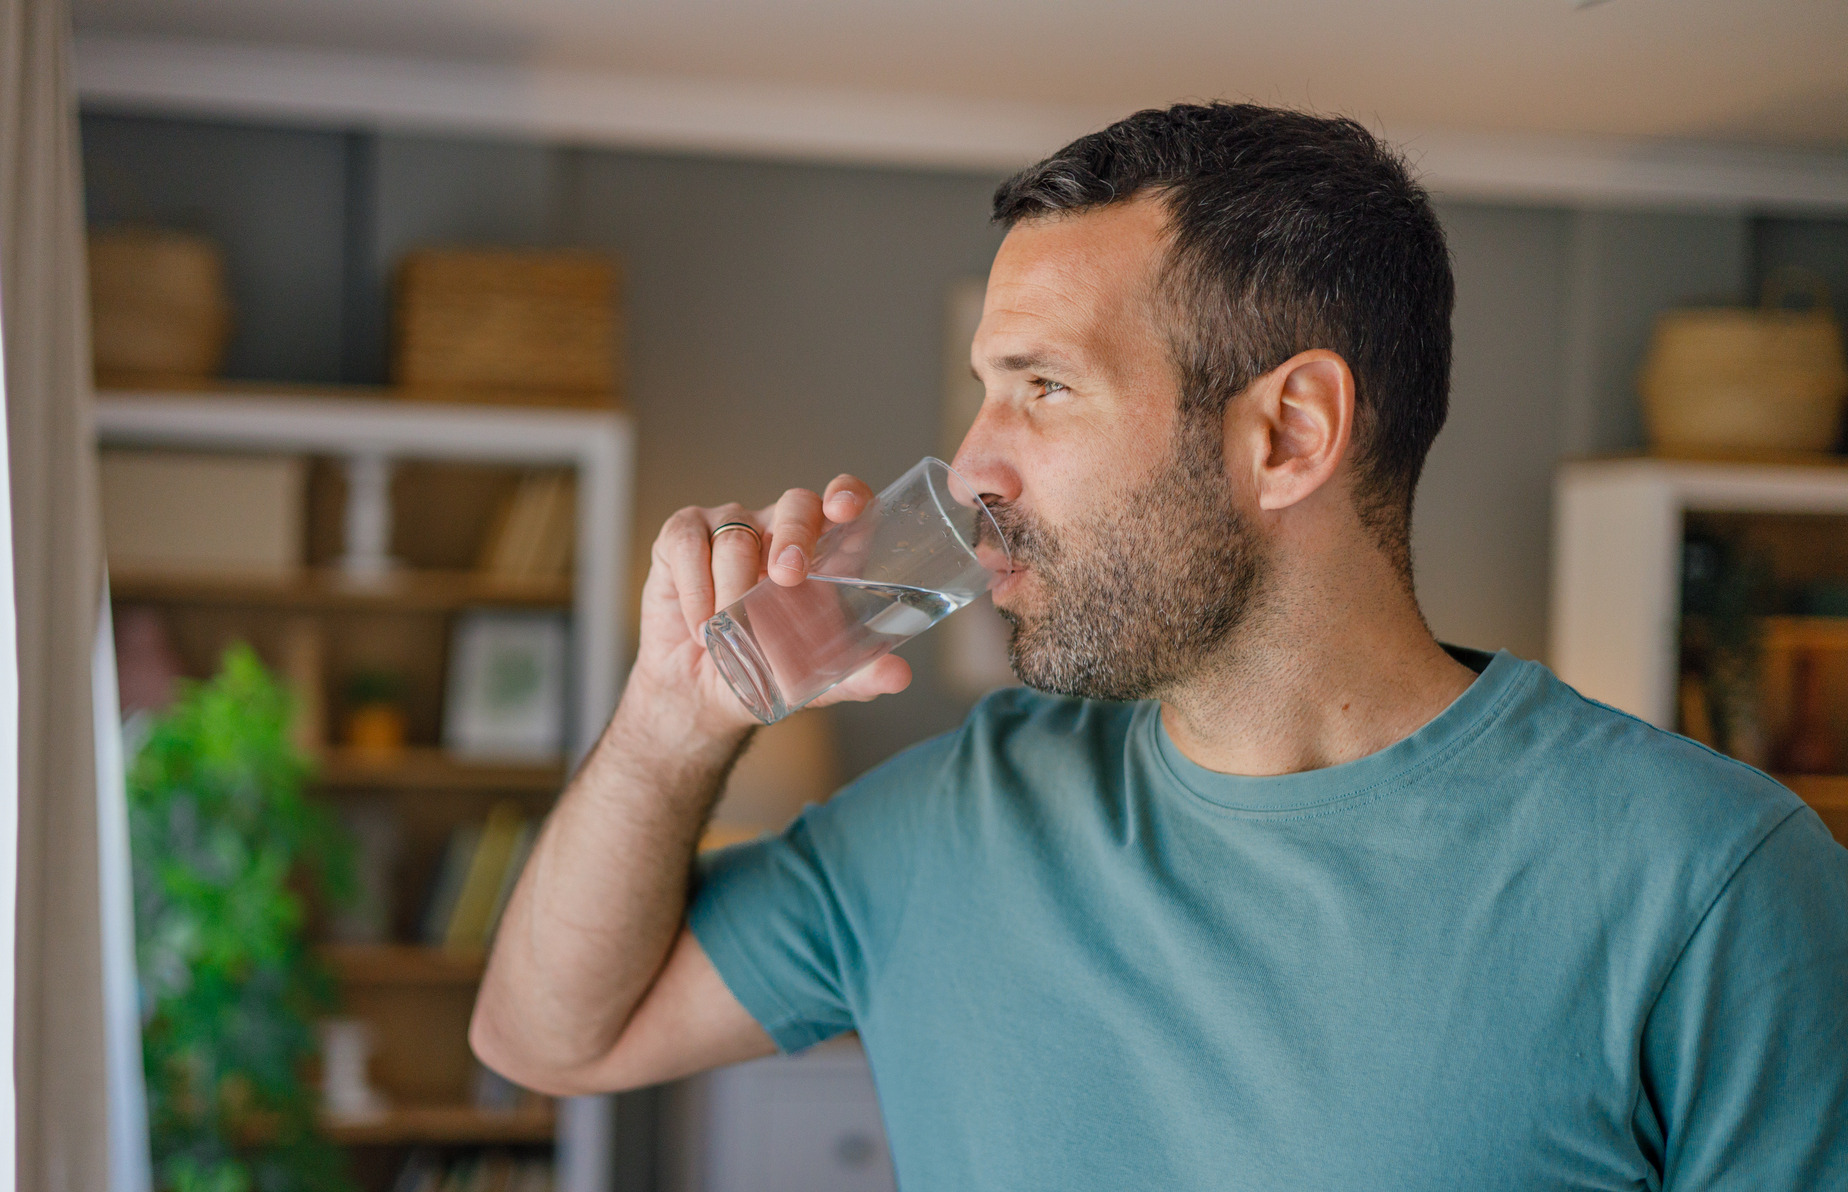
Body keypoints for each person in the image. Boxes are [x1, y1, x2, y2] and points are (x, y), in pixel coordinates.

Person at [470, 103, 1848, 1189]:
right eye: (985, 396)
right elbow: (547, 1036)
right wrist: (673, 719)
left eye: (1044, 390)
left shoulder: (1708, 883)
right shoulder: (962, 816)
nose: (972, 471)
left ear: (1290, 434)